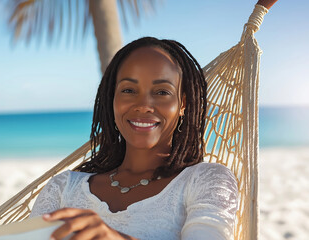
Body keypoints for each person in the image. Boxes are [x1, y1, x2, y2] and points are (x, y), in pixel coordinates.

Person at [30, 37, 238, 240]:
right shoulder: (63, 188)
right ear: (112, 99)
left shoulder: (206, 181)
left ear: (182, 104)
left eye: (162, 91)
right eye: (129, 90)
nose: (144, 104)